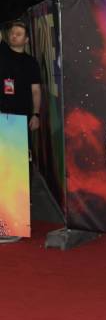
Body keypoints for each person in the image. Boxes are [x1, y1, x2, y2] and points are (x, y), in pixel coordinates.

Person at [0, 20, 41, 244]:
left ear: (26, 40)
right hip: (0, 116)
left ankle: (12, 224)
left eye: (19, 34)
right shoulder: (2, 56)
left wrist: (36, 114)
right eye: (12, 33)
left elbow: (36, 91)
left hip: (18, 121)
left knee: (15, 170)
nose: (14, 36)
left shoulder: (30, 63)